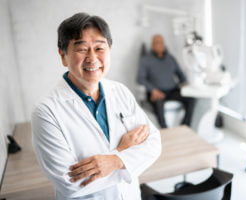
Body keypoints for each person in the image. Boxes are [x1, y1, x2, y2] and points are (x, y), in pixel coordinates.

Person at [31, 13, 161, 200]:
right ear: (63, 56)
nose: (92, 58)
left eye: (99, 48)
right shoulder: (46, 112)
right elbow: (70, 183)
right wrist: (124, 152)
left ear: (109, 50)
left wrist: (115, 161)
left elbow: (154, 143)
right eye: (82, 49)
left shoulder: (120, 91)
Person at [138, 35, 195, 128]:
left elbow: (180, 74)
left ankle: (185, 126)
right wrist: (153, 90)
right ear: (152, 45)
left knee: (191, 98)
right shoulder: (146, 60)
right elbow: (140, 78)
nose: (159, 45)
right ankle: (164, 129)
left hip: (172, 91)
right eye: (156, 42)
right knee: (158, 102)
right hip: (156, 92)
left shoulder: (170, 58)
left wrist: (184, 82)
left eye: (161, 42)